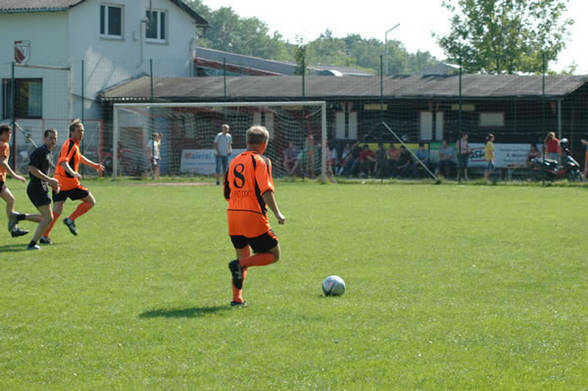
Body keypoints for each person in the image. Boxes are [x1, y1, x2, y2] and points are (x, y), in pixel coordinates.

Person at [224, 125, 286, 307]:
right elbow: (266, 190)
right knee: (274, 255)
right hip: (252, 216)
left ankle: (237, 299)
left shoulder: (234, 161)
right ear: (264, 144)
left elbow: (227, 193)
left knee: (243, 256)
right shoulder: (261, 161)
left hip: (233, 216)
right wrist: (277, 212)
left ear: (246, 142)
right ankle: (239, 264)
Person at [42, 119, 104, 241]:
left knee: (57, 210)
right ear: (72, 132)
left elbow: (79, 158)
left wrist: (94, 165)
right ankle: (70, 219)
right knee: (91, 201)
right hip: (68, 183)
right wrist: (73, 173)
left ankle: (45, 235)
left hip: (59, 183)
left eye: (83, 131)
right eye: (79, 131)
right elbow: (63, 162)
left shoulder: (73, 144)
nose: (82, 133)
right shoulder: (70, 144)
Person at [0, 124, 40, 238]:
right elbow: (2, 162)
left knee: (11, 200)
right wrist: (15, 175)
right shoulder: (4, 145)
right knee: (11, 200)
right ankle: (14, 229)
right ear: (1, 134)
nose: (10, 136)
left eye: (11, 133)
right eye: (8, 133)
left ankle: (14, 229)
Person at [25, 129, 61, 250]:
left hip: (41, 187)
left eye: (55, 138)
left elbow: (43, 173)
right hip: (36, 188)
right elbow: (32, 168)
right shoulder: (41, 151)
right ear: (44, 138)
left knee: (46, 218)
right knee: (48, 218)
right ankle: (32, 243)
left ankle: (18, 217)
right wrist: (49, 180)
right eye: (50, 138)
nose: (53, 140)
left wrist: (52, 183)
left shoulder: (48, 152)